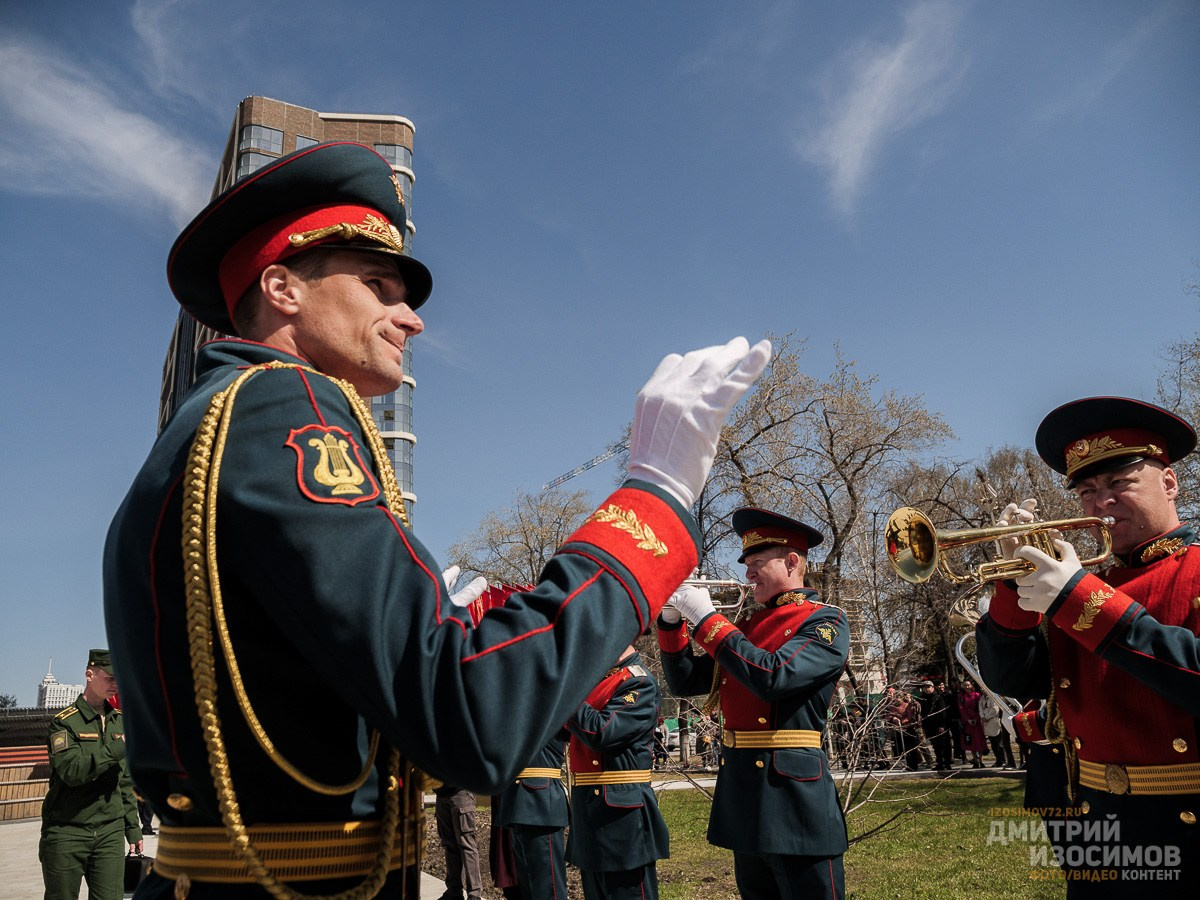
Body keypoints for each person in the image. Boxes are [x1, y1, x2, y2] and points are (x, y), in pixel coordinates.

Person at [101, 140, 771, 898]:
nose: (411, 320)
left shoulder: (214, 422)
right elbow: (473, 713)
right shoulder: (284, 405)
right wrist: (654, 495)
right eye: (378, 285)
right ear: (282, 287)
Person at [977, 396, 1200, 894]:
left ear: (1169, 482)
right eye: (1088, 491)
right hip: (1094, 821)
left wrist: (1081, 600)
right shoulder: (1083, 586)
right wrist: (1013, 585)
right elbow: (1011, 679)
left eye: (1120, 483)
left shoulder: (1090, 590)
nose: (1102, 503)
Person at [658, 508, 850, 899]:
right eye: (746, 565)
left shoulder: (825, 622)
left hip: (794, 799)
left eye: (757, 563)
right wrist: (671, 622)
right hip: (744, 793)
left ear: (792, 561)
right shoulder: (746, 628)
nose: (748, 574)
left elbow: (773, 676)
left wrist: (707, 619)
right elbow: (686, 681)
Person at [566, 645, 668, 899]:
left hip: (621, 817)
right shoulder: (597, 680)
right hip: (588, 812)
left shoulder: (638, 682)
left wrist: (565, 690)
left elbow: (601, 733)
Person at [39, 650, 142, 900]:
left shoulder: (120, 722)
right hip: (68, 830)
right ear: (89, 675)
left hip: (110, 831)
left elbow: (124, 781)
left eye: (118, 679)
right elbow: (72, 772)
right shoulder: (64, 723)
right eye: (109, 678)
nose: (115, 685)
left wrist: (133, 827)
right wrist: (117, 747)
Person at [493, 731, 569, 900]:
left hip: (540, 803)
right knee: (528, 887)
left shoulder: (547, 715)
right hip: (517, 800)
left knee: (547, 887)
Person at [433, 783, 483, 900]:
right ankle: (454, 892)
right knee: (449, 845)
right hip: (441, 793)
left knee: (467, 846)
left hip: (461, 792)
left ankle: (474, 894)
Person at [922, 679, 954, 771]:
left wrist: (942, 725)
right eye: (925, 687)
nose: (927, 689)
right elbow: (923, 713)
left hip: (939, 726)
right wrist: (924, 726)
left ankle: (947, 763)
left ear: (932, 688)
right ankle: (940, 762)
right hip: (929, 726)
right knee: (935, 746)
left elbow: (942, 712)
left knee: (944, 745)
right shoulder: (923, 699)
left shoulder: (938, 698)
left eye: (928, 687)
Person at [978, 692, 1015, 769]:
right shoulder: (982, 697)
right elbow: (980, 707)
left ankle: (1003, 760)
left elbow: (995, 709)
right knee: (993, 743)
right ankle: (998, 760)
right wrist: (982, 716)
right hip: (986, 722)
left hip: (994, 720)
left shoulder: (993, 697)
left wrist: (987, 716)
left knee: (999, 742)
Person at [956, 682, 986, 769]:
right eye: (965, 685)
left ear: (971, 685)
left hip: (977, 722)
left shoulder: (977, 695)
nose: (967, 687)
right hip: (968, 723)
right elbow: (961, 709)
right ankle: (975, 760)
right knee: (971, 742)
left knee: (980, 742)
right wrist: (968, 720)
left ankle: (981, 761)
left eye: (968, 685)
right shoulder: (961, 697)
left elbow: (980, 708)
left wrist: (976, 719)